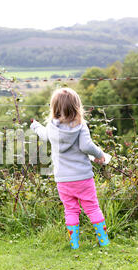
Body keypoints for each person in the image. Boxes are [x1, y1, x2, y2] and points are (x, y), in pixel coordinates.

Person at [30, 87, 110, 249]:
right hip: (83, 177)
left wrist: (35, 127)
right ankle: (104, 241)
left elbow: (45, 135)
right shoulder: (80, 126)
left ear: (54, 108)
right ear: (76, 106)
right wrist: (100, 155)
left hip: (63, 180)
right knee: (92, 207)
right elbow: (86, 145)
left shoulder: (52, 127)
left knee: (71, 210)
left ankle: (74, 244)